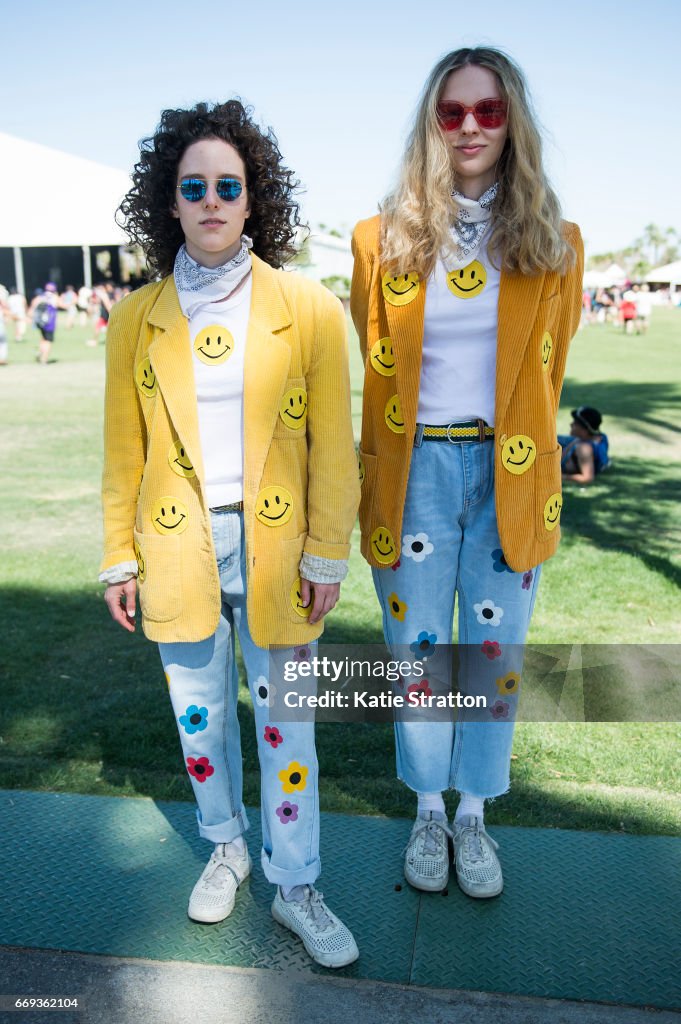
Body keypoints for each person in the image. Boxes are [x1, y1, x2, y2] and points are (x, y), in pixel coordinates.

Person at [100, 100, 360, 968]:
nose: (211, 200)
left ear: (254, 201)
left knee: (289, 728)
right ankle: (226, 846)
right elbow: (120, 452)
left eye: (229, 186)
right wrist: (115, 558)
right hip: (176, 545)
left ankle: (296, 884)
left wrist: (328, 549)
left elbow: (333, 447)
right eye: (193, 187)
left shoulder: (308, 307)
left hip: (280, 547)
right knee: (200, 720)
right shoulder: (135, 320)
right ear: (168, 203)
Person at [351, 46, 583, 900]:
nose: (471, 127)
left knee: (490, 650)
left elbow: (547, 375)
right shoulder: (378, 241)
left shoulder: (557, 244)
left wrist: (516, 457)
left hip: (509, 469)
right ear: (431, 125)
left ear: (511, 121)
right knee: (416, 654)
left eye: (488, 111)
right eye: (453, 112)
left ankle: (474, 817)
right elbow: (377, 369)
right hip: (415, 469)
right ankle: (425, 811)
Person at [560, 406, 609, 484]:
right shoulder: (602, 437)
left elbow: (588, 478)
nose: (571, 424)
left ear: (585, 429)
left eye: (575, 423)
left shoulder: (584, 448)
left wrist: (560, 476)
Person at [30, 282, 59, 363]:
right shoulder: (54, 297)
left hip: (41, 323)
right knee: (48, 341)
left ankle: (40, 353)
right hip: (50, 323)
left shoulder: (40, 297)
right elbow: (60, 305)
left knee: (43, 338)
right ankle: (44, 359)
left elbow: (32, 307)